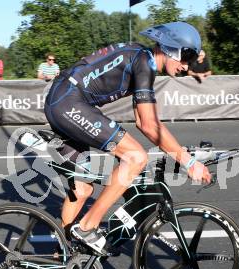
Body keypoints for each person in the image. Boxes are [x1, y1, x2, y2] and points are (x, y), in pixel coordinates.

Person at [44, 22, 212, 254]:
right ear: (171, 48)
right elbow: (148, 125)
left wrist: (178, 151)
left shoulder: (140, 58)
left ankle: (63, 256)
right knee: (134, 157)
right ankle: (87, 227)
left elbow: (146, 121)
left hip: (62, 99)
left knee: (82, 189)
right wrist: (188, 161)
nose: (186, 66)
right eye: (186, 57)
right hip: (68, 102)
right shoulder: (144, 63)